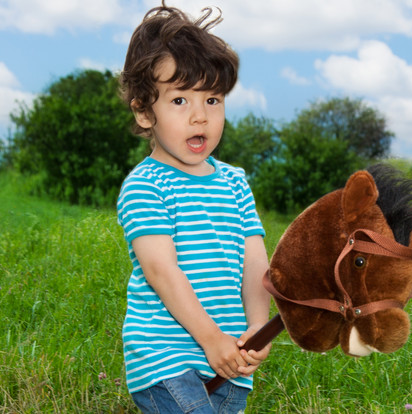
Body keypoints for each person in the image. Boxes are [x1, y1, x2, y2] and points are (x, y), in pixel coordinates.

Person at [116, 2, 271, 413]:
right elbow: (160, 270)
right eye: (180, 101)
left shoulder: (235, 182)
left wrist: (257, 326)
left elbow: (255, 262)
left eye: (213, 100)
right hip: (167, 358)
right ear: (145, 112)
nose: (200, 116)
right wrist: (210, 338)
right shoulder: (146, 185)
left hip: (232, 357)